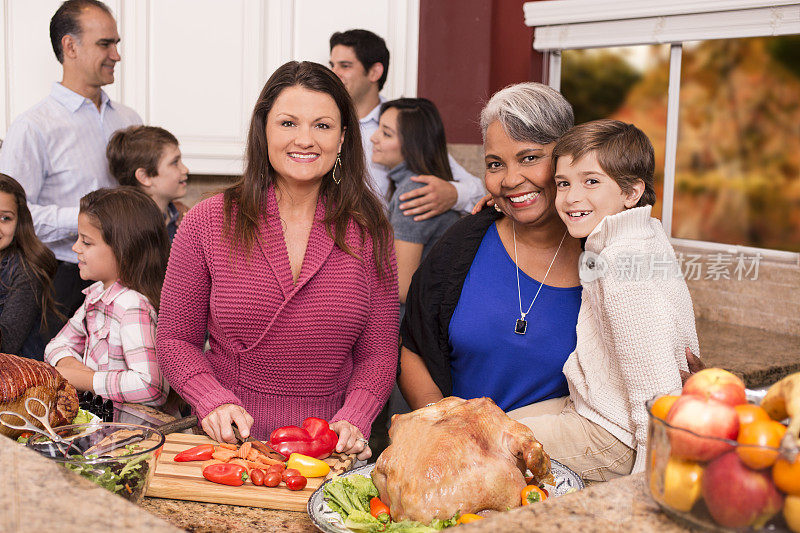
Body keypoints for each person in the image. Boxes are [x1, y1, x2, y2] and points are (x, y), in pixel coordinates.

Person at [156, 61, 398, 460]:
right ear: (263, 130)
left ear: (342, 139)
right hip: (228, 446)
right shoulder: (207, 221)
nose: (305, 139)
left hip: (330, 449)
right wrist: (210, 399)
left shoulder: (371, 230)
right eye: (288, 123)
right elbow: (174, 338)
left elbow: (380, 350)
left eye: (322, 125)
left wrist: (355, 416)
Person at [513, 119, 697, 476]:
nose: (571, 197)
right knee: (490, 423)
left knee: (491, 443)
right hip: (595, 409)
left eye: (591, 181)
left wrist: (646, 482)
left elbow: (656, 385)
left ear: (631, 193)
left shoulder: (619, 262)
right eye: (564, 183)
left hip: (615, 437)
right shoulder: (640, 232)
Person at [399, 82, 583, 417]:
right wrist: (441, 423)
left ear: (567, 157)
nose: (510, 180)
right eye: (495, 164)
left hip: (561, 465)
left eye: (529, 158)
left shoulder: (607, 255)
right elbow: (413, 344)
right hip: (457, 456)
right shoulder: (461, 245)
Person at [0, 0, 141, 338]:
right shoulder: (32, 127)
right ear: (70, 46)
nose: (116, 55)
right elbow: (15, 215)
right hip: (63, 282)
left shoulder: (129, 120)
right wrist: (88, 222)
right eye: (105, 44)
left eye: (116, 44)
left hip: (127, 276)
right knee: (60, 381)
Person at [329, 29, 485, 219]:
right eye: (332, 65)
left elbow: (477, 190)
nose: (334, 74)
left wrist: (453, 194)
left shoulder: (401, 124)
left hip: (389, 240)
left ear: (374, 72)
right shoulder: (324, 123)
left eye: (345, 66)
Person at [44, 187, 170, 407]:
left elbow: (151, 387)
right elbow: (56, 345)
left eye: (86, 242)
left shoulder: (132, 305)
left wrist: (85, 380)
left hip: (136, 433)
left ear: (124, 248)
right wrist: (75, 369)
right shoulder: (96, 294)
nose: (75, 247)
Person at [371, 98, 460, 317]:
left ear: (412, 144)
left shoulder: (414, 192)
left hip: (409, 327)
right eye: (378, 129)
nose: (374, 138)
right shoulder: (418, 183)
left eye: (386, 133)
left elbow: (401, 288)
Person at [0, 174, 60, 360]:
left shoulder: (25, 271)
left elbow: (7, 344)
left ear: (19, 222)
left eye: (5, 218)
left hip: (16, 376)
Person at [106, 125, 190, 243]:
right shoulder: (133, 233)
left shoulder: (179, 217)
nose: (185, 169)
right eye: (175, 162)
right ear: (144, 177)